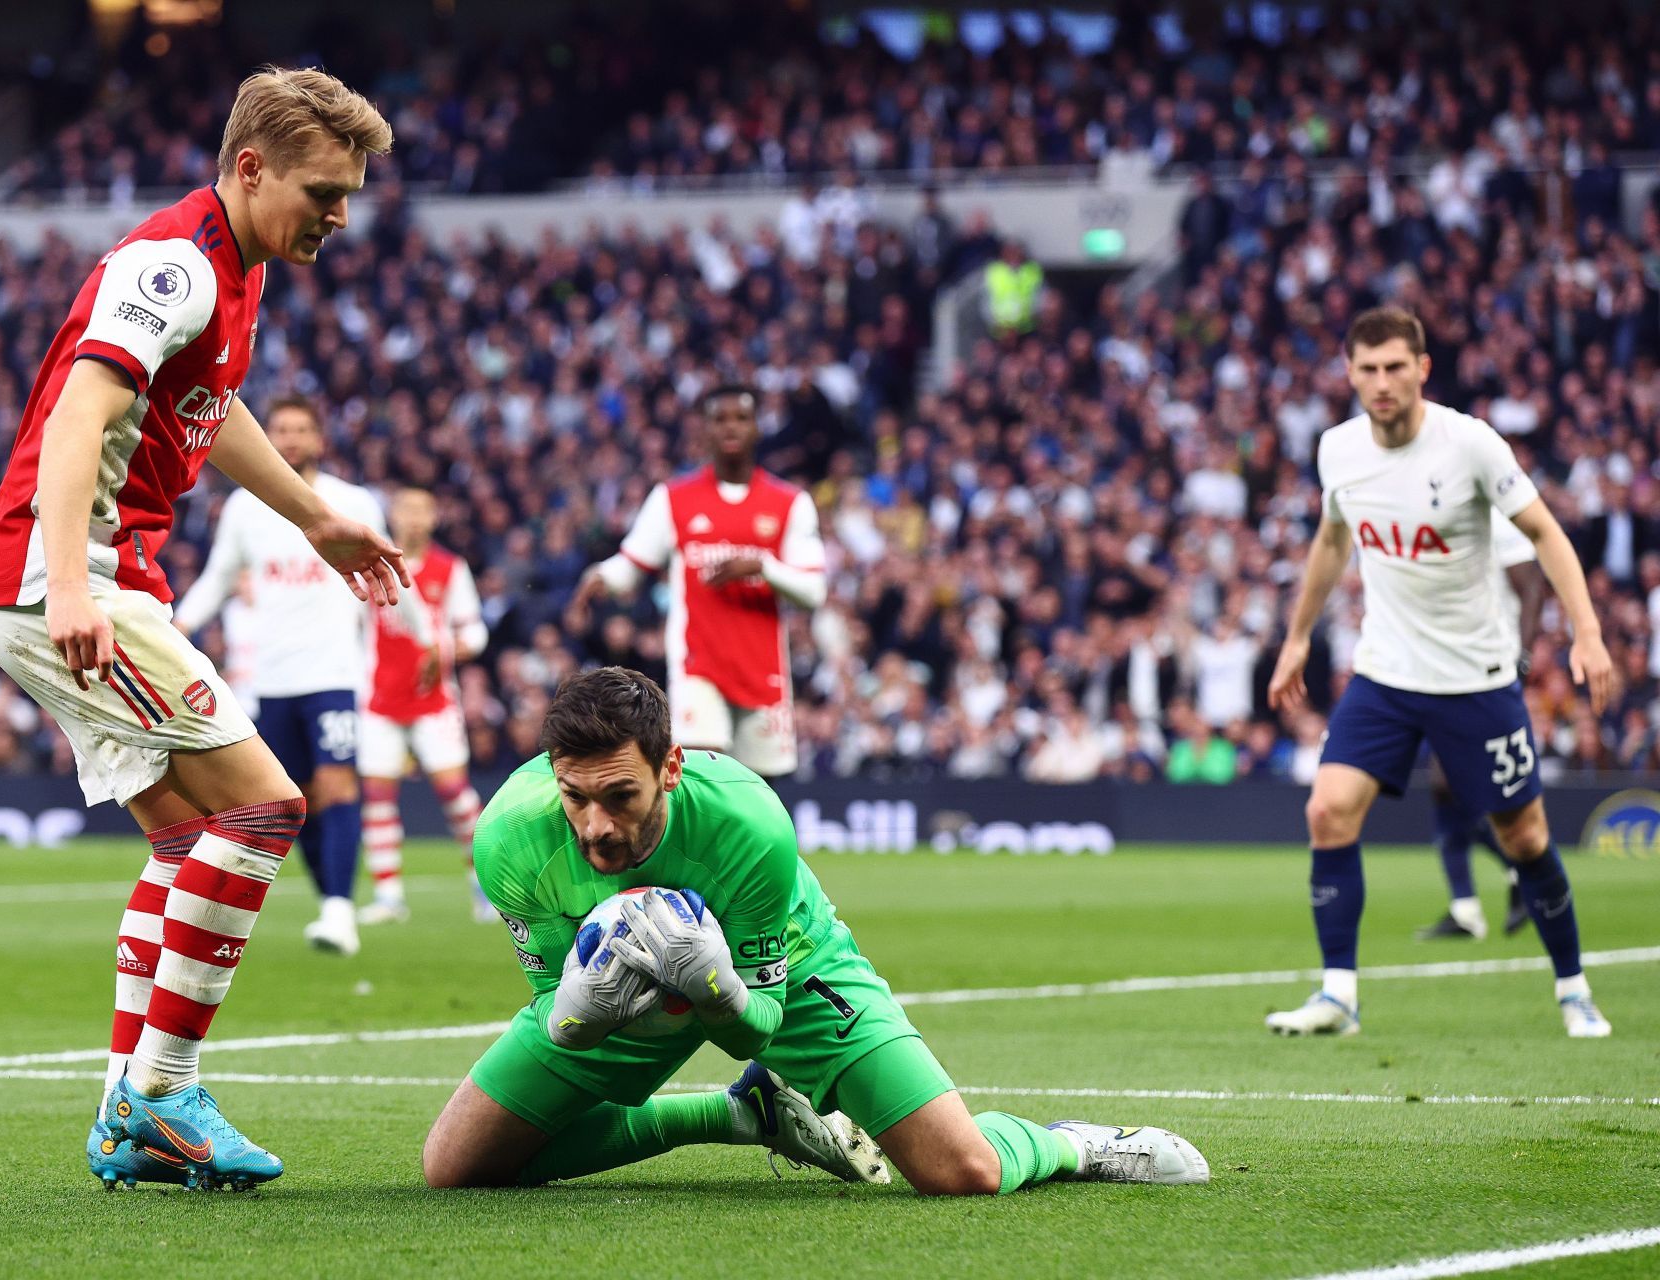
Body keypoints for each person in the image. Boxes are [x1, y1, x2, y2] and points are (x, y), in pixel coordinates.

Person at [0, 68, 407, 1189]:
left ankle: (128, 1105)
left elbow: (210, 409)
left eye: (349, 193)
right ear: (250, 169)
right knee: (266, 806)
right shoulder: (171, 265)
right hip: (78, 584)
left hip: (94, 584)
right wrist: (70, 582)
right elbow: (79, 413)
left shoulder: (231, 270)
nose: (340, 214)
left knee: (182, 837)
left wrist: (316, 518)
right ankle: (164, 1089)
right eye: (323, 191)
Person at [420, 666, 1211, 1194]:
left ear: (671, 767)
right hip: (628, 989)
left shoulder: (750, 825)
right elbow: (561, 1010)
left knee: (959, 1170)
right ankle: (741, 1115)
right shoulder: (507, 843)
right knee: (455, 1169)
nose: (594, 826)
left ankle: (1072, 1144)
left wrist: (710, 980)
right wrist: (598, 1001)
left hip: (786, 968)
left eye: (619, 796)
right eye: (574, 796)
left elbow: (756, 1022)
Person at [1265, 307, 1617, 1039]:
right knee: (1327, 810)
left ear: (1422, 368)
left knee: (1523, 838)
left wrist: (1586, 631)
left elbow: (1545, 532)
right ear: (1350, 374)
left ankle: (1573, 987)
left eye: (1396, 366)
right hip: (1386, 673)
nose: (1382, 382)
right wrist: (1298, 637)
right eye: (1368, 369)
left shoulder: (1470, 445)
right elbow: (1333, 541)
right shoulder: (1339, 450)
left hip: (1475, 679)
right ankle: (1338, 995)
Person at [173, 396, 387, 957]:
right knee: (299, 800)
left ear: (319, 439)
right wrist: (180, 624)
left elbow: (384, 572)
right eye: (280, 430)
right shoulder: (246, 508)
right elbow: (219, 578)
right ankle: (331, 905)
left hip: (335, 671)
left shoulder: (352, 502)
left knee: (339, 785)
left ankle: (341, 912)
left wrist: (423, 635)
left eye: (300, 430)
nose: (290, 439)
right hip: (272, 678)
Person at [570, 385, 826, 778]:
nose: (731, 428)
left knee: (761, 793)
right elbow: (632, 563)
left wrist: (761, 566)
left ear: (758, 427)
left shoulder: (790, 502)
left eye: (741, 418)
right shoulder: (673, 498)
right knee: (704, 778)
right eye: (720, 419)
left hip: (762, 669)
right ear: (704, 429)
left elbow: (814, 592)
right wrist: (600, 576)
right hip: (698, 665)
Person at [356, 486, 496, 925]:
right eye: (405, 509)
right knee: (378, 795)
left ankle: (485, 889)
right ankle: (388, 896)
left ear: (434, 518)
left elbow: (476, 633)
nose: (413, 518)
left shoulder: (449, 568)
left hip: (434, 701)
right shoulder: (368, 567)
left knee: (455, 793)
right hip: (379, 698)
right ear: (392, 515)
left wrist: (445, 649)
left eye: (421, 511)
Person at [1415, 509, 1545, 942]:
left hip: (1491, 670)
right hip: (1449, 667)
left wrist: (1522, 656)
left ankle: (1516, 871)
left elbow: (1532, 587)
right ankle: (1469, 906)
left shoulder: (1499, 520)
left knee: (1455, 783)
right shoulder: (1440, 520)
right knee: (1443, 786)